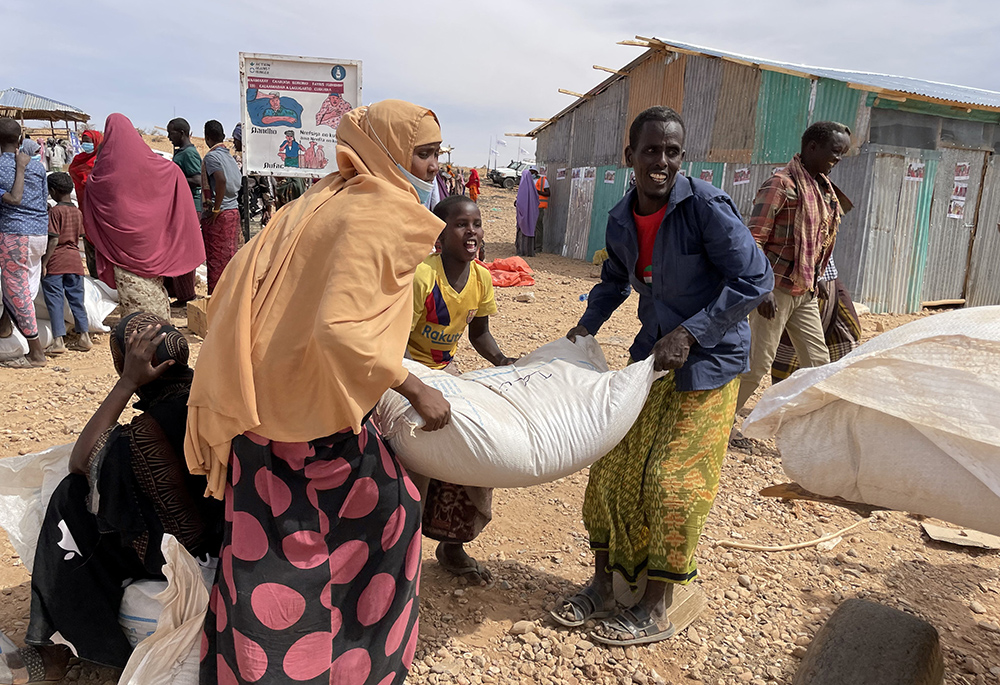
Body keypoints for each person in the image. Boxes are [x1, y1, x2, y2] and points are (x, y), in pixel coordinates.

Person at [185, 100, 450, 684]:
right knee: (389, 516)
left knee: (263, 557)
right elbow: (339, 331)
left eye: (437, 152)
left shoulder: (324, 197)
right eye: (423, 152)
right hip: (312, 422)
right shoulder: (379, 211)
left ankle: (252, 669)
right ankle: (357, 665)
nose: (433, 166)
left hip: (262, 406)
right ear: (387, 149)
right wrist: (414, 387)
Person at [552, 106, 772, 645]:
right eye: (651, 150)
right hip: (654, 356)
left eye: (673, 152)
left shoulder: (705, 207)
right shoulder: (621, 218)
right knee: (609, 467)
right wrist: (584, 328)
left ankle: (656, 603)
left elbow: (755, 277)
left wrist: (693, 333)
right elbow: (611, 281)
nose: (662, 162)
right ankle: (604, 585)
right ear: (630, 156)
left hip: (711, 360)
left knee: (671, 482)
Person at [0, 314, 223, 683]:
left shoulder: (143, 434)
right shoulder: (215, 402)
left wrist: (127, 384)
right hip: (230, 545)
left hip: (180, 557)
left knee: (72, 499)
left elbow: (80, 462)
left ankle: (55, 649)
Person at [405, 195, 514, 585]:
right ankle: (402, 554)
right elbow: (398, 342)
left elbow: (479, 334)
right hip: (409, 373)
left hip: (445, 372)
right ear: (440, 233)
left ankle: (453, 544)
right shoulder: (423, 277)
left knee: (474, 450)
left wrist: (503, 362)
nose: (472, 232)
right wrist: (417, 388)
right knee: (416, 457)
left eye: (477, 224)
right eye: (461, 224)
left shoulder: (482, 278)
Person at [734, 121, 853, 413]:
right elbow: (753, 240)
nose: (837, 160)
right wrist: (761, 289)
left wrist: (820, 279)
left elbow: (819, 243)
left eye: (841, 155)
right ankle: (718, 425)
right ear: (812, 147)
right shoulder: (781, 185)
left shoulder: (823, 190)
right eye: (834, 153)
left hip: (804, 291)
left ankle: (805, 424)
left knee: (817, 364)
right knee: (757, 365)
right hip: (775, 290)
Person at [82, 113, 205, 322]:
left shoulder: (103, 172)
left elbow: (91, 190)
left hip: (121, 248)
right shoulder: (154, 165)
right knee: (154, 291)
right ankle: (161, 331)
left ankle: (137, 336)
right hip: (151, 242)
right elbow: (173, 174)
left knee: (134, 301)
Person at [0, 118, 49, 369]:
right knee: (22, 285)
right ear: (20, 140)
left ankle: (36, 352)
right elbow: (43, 202)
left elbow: (13, 200)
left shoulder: (0, 167)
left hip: (14, 234)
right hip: (38, 234)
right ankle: (5, 326)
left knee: (15, 289)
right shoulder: (38, 167)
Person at [769, 258, 861, 384]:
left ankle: (834, 390)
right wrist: (817, 277)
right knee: (781, 351)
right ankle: (784, 396)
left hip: (825, 274)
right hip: (798, 277)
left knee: (847, 334)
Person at [41, 172, 92, 354]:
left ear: (53, 191)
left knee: (54, 301)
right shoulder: (77, 212)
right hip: (75, 261)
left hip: (56, 261)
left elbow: (53, 240)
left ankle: (58, 341)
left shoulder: (54, 212)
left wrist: (44, 263)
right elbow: (81, 236)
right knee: (77, 300)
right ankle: (84, 336)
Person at [199, 120, 242, 294]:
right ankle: (230, 296)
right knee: (229, 257)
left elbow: (221, 180)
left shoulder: (212, 157)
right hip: (233, 211)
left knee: (217, 260)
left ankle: (217, 298)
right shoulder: (229, 157)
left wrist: (215, 209)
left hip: (220, 213)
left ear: (207, 137)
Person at [165, 118, 202, 306]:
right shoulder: (182, 153)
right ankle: (179, 292)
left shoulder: (189, 154)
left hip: (190, 207)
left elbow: (197, 179)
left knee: (184, 251)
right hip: (182, 206)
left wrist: (174, 175)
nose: (168, 137)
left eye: (171, 133)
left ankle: (187, 295)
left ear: (181, 133)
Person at [68, 129, 103, 278]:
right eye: (83, 142)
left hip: (100, 209)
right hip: (84, 206)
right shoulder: (79, 159)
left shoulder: (102, 160)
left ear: (97, 143)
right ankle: (95, 277)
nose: (85, 145)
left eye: (88, 142)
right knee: (89, 241)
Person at [515, 167, 539, 257]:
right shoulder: (532, 188)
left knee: (523, 231)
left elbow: (520, 202)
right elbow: (536, 201)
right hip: (532, 215)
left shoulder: (523, 188)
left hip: (523, 214)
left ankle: (522, 251)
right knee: (530, 230)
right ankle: (529, 251)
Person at [535, 170, 550, 250]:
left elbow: (548, 193)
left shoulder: (543, 180)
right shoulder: (528, 180)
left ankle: (538, 247)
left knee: (538, 227)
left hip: (540, 207)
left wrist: (538, 192)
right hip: (531, 207)